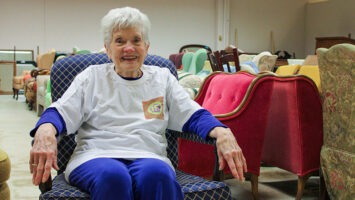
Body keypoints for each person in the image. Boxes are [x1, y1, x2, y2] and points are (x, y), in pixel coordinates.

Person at [29, 7, 247, 200]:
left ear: (147, 46)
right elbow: (60, 111)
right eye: (120, 41)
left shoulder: (162, 78)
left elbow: (192, 114)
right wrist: (46, 129)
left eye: (136, 40)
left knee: (157, 176)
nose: (129, 48)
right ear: (107, 48)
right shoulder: (91, 77)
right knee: (114, 177)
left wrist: (222, 132)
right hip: (95, 155)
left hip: (149, 156)